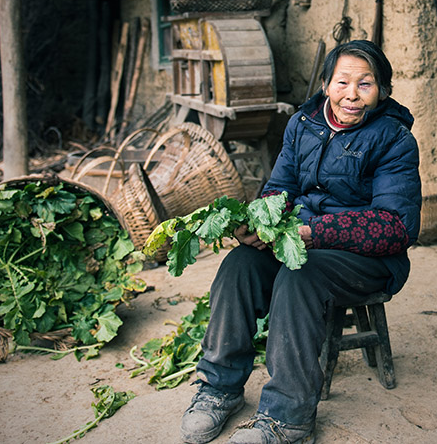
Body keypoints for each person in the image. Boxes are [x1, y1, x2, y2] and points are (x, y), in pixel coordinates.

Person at [180, 39, 422, 444]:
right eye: (342, 82)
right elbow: (280, 188)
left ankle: (287, 418)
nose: (352, 94)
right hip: (301, 240)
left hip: (367, 259)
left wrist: (315, 233)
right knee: (238, 266)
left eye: (365, 84)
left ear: (381, 90)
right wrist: (260, 221)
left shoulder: (394, 139)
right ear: (326, 84)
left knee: (299, 276)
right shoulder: (303, 124)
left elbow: (397, 226)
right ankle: (219, 388)